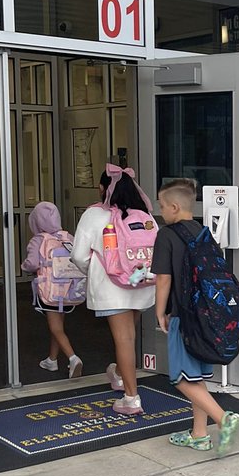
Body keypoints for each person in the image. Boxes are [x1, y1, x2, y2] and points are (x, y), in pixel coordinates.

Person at [151, 177, 239, 454]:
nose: (161, 211)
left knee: (180, 379)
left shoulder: (167, 235)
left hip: (183, 317)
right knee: (195, 379)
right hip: (205, 316)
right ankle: (199, 435)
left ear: (175, 207)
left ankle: (224, 419)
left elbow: (163, 279)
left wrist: (160, 312)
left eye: (162, 206)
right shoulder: (203, 233)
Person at [71, 165, 156, 415]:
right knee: (129, 336)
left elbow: (78, 255)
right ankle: (119, 374)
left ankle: (131, 398)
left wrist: (94, 271)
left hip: (112, 287)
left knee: (124, 339)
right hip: (141, 283)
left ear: (102, 188)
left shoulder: (94, 215)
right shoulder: (145, 215)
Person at [21, 201, 83, 379]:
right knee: (58, 326)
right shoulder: (67, 237)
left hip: (49, 290)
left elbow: (32, 263)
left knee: (55, 327)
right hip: (69, 290)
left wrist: (24, 266)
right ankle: (52, 359)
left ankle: (73, 358)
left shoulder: (38, 240)